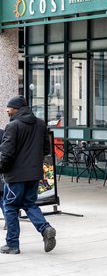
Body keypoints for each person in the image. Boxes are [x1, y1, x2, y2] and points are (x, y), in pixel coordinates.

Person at [0, 96, 56, 254]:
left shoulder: (13, 125)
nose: (7, 110)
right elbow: (46, 150)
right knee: (29, 204)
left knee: (10, 206)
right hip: (34, 173)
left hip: (15, 175)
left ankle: (12, 244)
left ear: (16, 109)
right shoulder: (40, 124)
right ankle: (45, 229)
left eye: (9, 107)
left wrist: (2, 168)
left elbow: (6, 153)